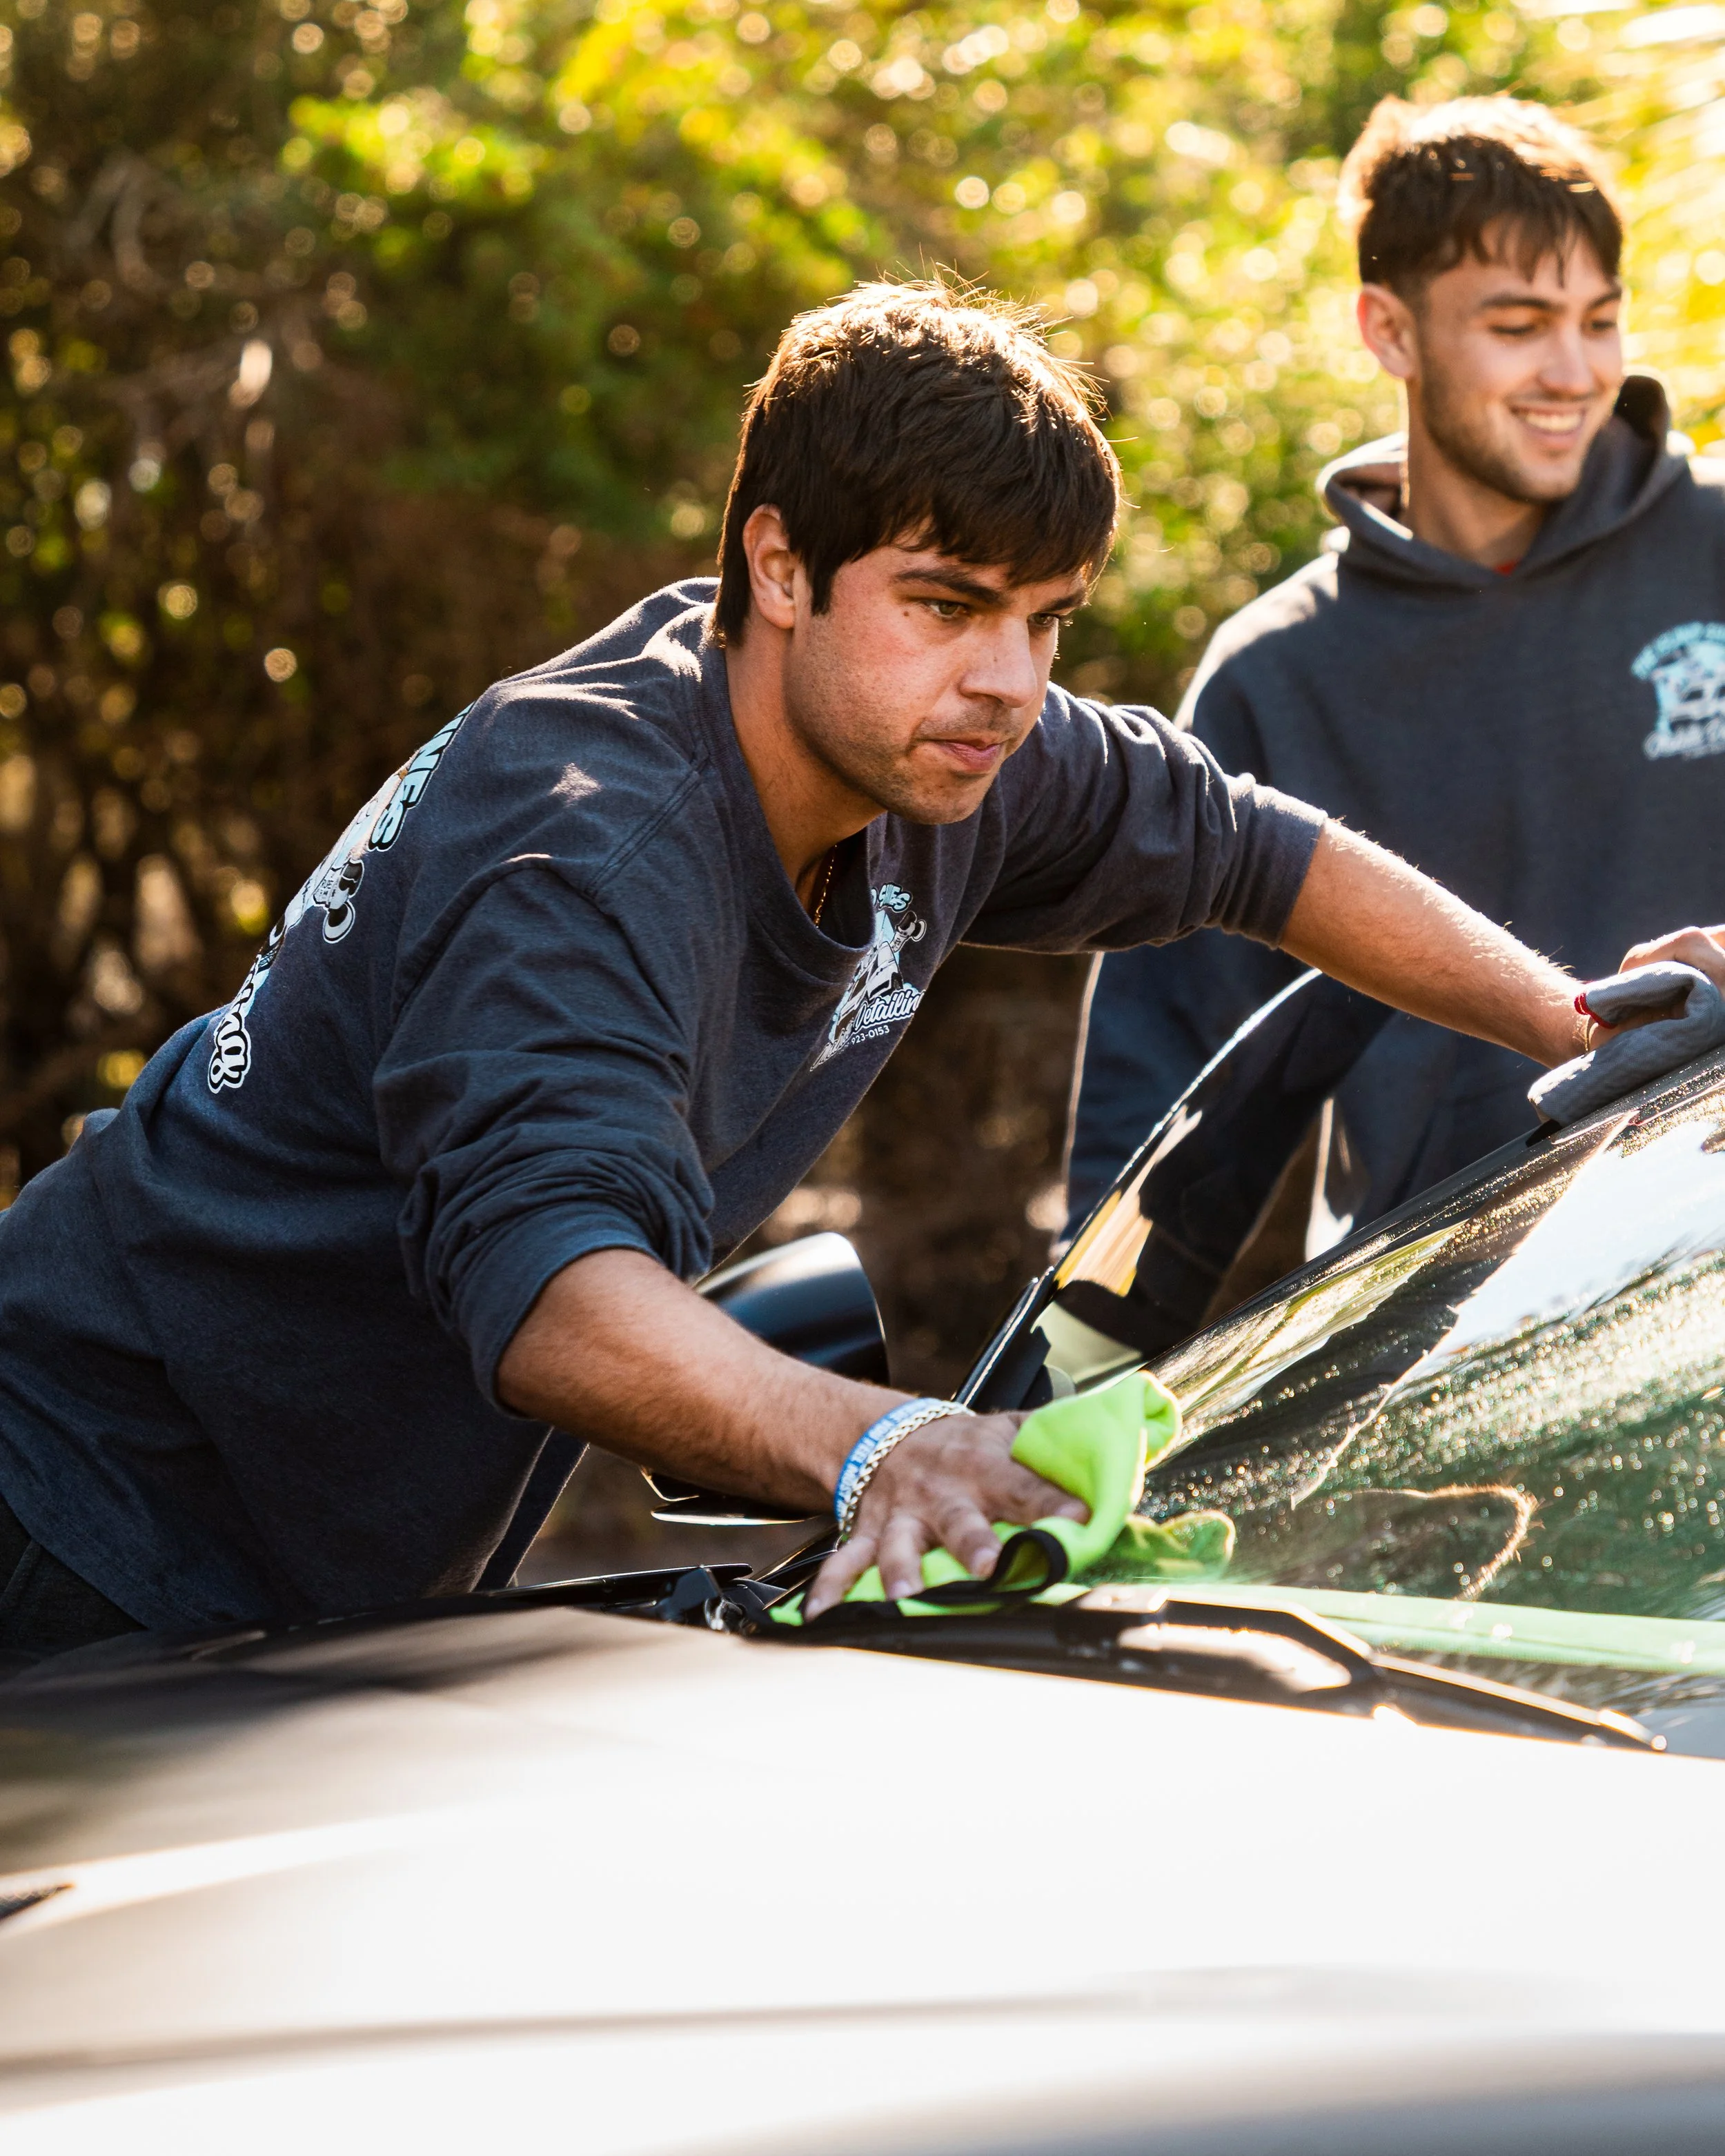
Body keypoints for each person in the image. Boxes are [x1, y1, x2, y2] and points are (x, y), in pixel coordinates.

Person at [0, 279, 1701, 1663]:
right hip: (74, 1510)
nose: (1008, 678)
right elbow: (549, 1292)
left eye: (1047, 618)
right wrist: (881, 1440)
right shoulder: (585, 845)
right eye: (947, 603)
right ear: (776, 563)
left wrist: (1576, 1016)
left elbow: (1259, 852)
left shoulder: (949, 750)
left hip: (316, 1586)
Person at [1065, 96, 1725, 1247]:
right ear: (1390, 331)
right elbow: (1161, 1116)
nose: (1576, 372)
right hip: (1431, 1344)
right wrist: (1068, 1390)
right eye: (1520, 326)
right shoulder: (1277, 675)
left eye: (1601, 321)